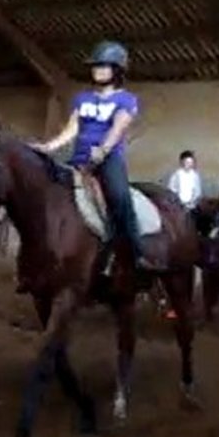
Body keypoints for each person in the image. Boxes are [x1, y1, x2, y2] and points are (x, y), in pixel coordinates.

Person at [32, 40, 162, 272]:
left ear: (117, 70)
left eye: (104, 66)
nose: (98, 70)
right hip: (79, 158)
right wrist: (48, 147)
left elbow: (117, 128)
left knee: (120, 198)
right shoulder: (82, 99)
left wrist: (102, 151)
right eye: (95, 66)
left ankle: (136, 251)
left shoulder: (127, 100)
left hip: (109, 160)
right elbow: (71, 130)